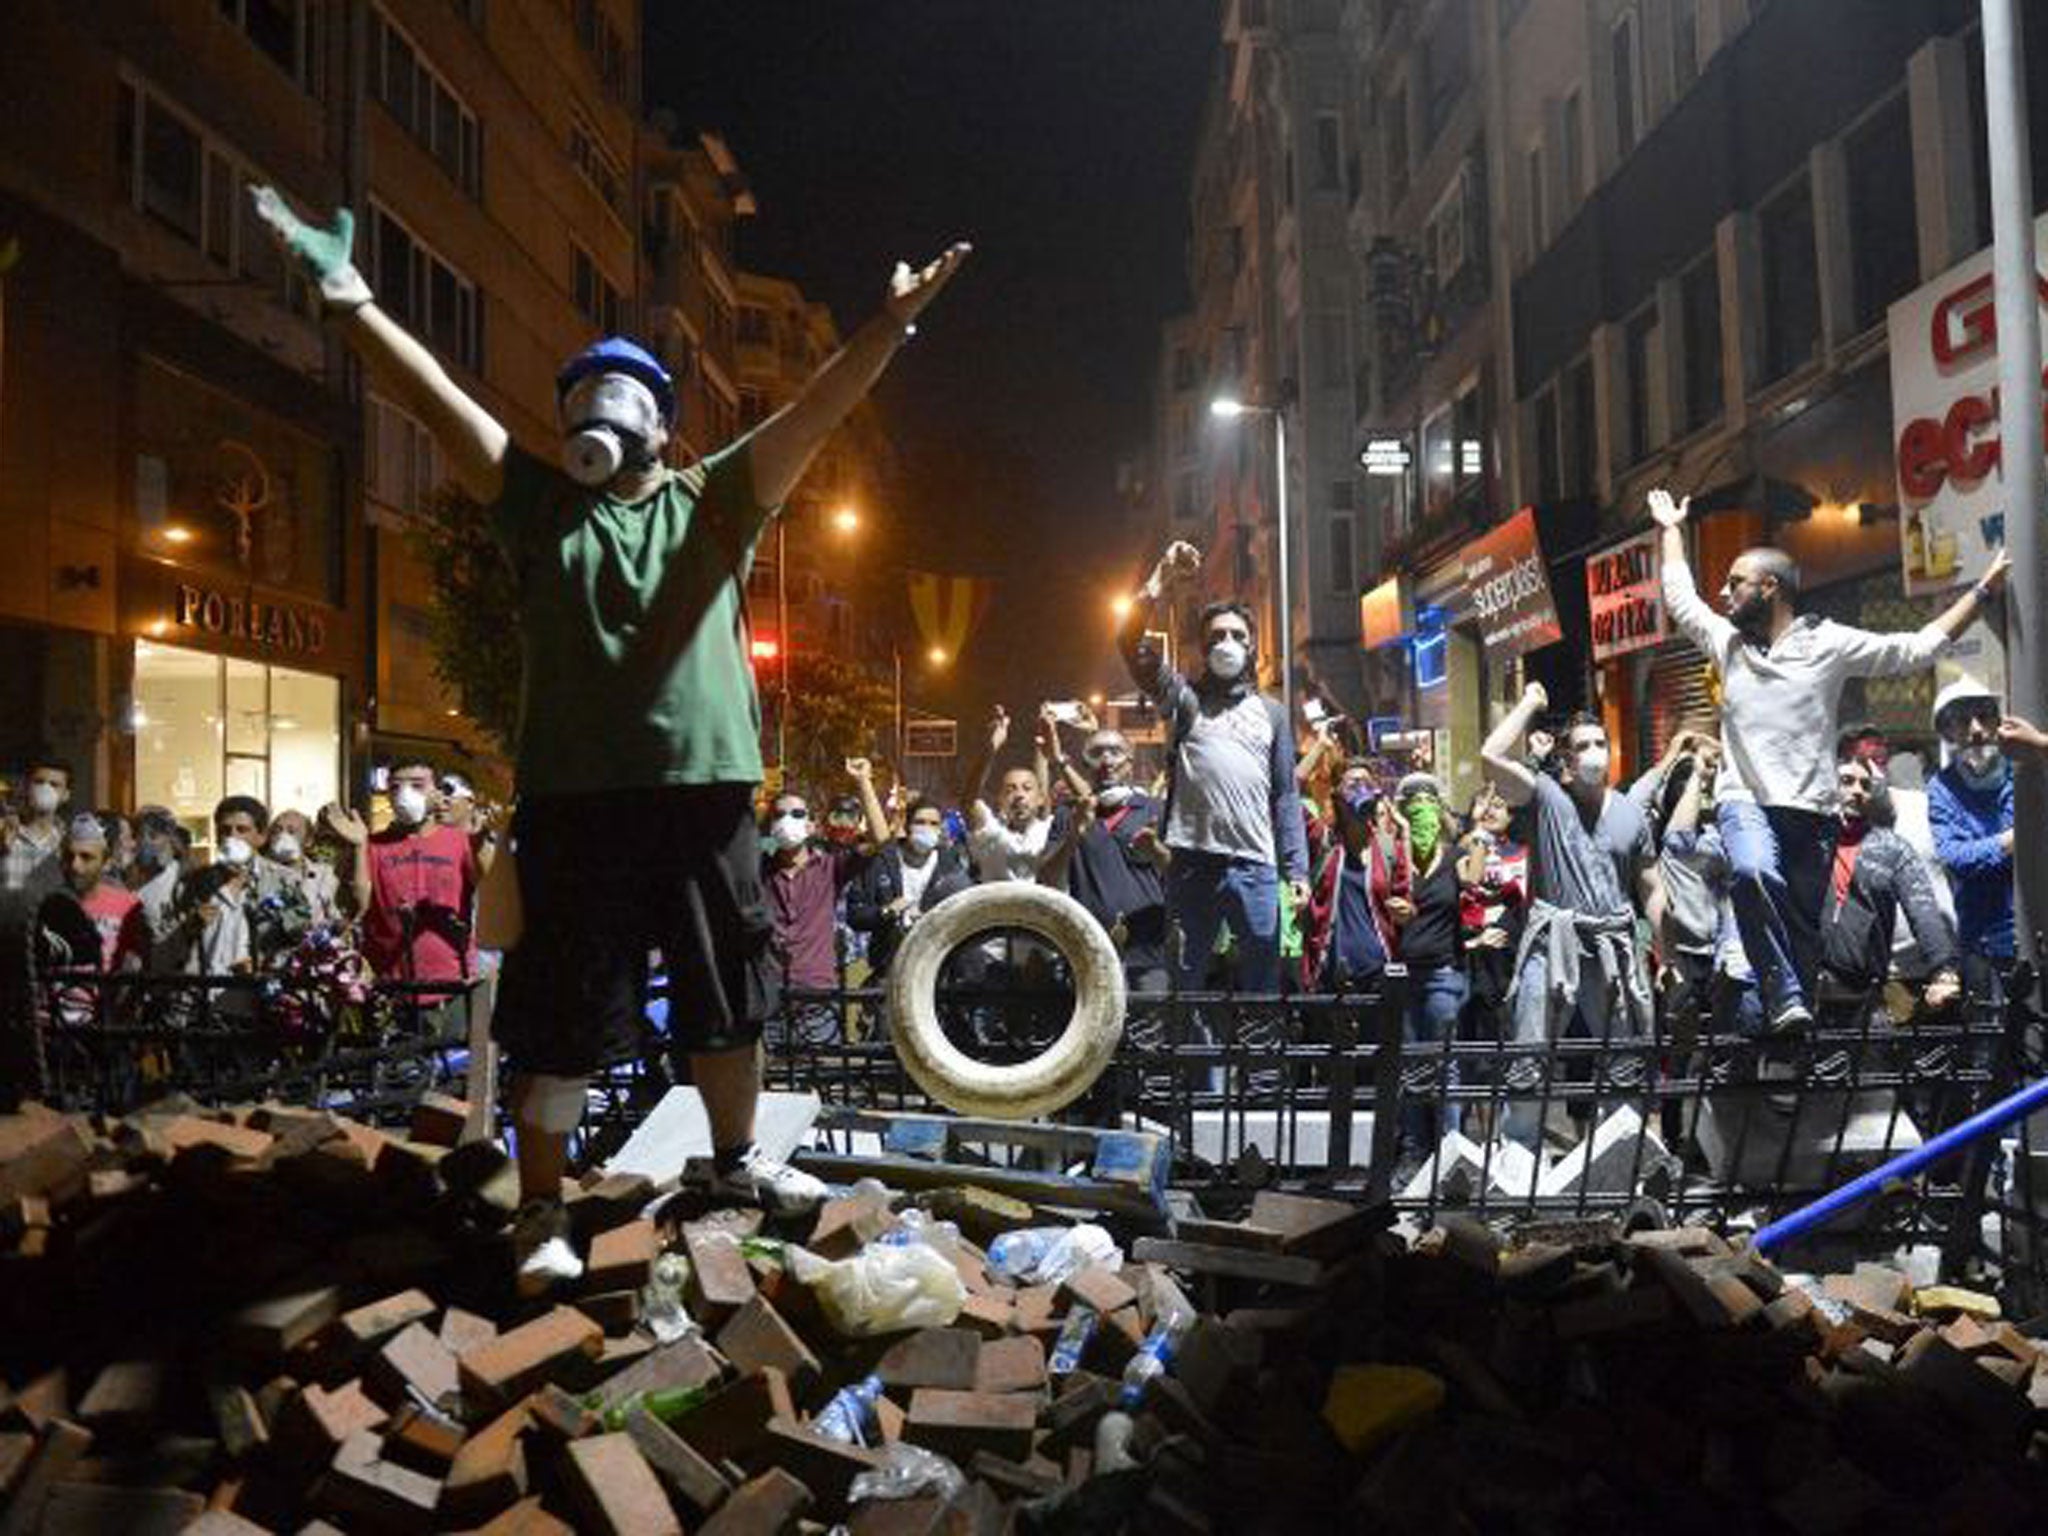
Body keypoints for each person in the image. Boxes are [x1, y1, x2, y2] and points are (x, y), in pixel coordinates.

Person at [251, 182, 968, 1284]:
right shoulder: (536, 506)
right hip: (573, 801)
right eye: (587, 387)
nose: (603, 402)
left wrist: (887, 322)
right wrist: (349, 302)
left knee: (727, 995)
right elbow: (436, 398)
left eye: (627, 389)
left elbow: (814, 413)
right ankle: (543, 1212)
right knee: (558, 1013)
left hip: (705, 793)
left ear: (663, 424)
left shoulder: (715, 501)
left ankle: (732, 1165)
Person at [1651, 487, 2007, 1031]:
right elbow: (1680, 597)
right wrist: (1671, 529)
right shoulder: (1727, 645)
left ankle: (1796, 1025)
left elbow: (1916, 648)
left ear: (1770, 588)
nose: (1723, 593)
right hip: (1744, 801)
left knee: (1803, 930)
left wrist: (1982, 591)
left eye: (1735, 583)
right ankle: (1781, 991)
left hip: (1809, 811)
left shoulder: (1828, 643)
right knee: (1749, 871)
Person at [1118, 540, 1309, 993]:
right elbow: (1128, 642)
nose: (1227, 644)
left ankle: (1261, 1068)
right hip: (1192, 865)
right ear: (1203, 649)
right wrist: (1160, 577)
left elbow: (1285, 795)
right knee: (1187, 986)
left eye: (1238, 636)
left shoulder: (1273, 712)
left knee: (1262, 990)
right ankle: (1203, 1069)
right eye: (1217, 637)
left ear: (1252, 645)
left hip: (1256, 867)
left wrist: (1296, 871)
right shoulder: (1184, 701)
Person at [1481, 685, 1664, 1149]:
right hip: (1554, 943)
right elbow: (1490, 756)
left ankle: (1618, 1160)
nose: (1594, 753)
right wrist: (1527, 704)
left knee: (1623, 1062)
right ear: (1565, 760)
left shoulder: (1630, 815)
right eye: (1582, 746)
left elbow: (1652, 888)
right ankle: (1517, 1157)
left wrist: (1669, 953)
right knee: (1529, 1056)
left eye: (1599, 744)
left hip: (1613, 948)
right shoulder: (1545, 797)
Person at [1819, 750, 1959, 1015]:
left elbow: (1923, 910)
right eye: (1847, 781)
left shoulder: (1892, 848)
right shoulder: (1808, 842)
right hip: (1807, 992)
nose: (1857, 791)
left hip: (1866, 992)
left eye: (1866, 785)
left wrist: (1944, 970)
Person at [762, 759, 889, 1048]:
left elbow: (881, 839)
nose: (787, 821)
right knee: (769, 1085)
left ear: (810, 824)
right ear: (771, 826)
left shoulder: (831, 867)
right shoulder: (759, 870)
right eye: (779, 815)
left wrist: (864, 782)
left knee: (817, 1081)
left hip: (816, 996)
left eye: (796, 814)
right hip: (769, 995)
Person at [1040, 719, 1171, 994]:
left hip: (1147, 949)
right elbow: (1046, 879)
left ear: (1130, 763)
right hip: (1090, 949)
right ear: (1087, 764)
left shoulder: (1154, 810)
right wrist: (1074, 834)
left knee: (1149, 1028)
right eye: (1097, 753)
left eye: (1115, 752)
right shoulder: (1069, 813)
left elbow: (1181, 875)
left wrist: (1156, 851)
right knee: (1096, 1033)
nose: (1107, 760)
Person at [325, 762, 479, 993]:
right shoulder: (373, 845)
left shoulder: (460, 842)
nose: (404, 794)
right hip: (389, 982)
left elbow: (488, 895)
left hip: (452, 980)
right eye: (395, 787)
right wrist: (358, 847)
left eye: (417, 785)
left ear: (438, 794)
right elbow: (358, 906)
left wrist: (482, 837)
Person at [1927, 677, 2016, 996]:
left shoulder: (2020, 772)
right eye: (1963, 720)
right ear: (1947, 732)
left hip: (2032, 929)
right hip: (1982, 940)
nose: (1976, 729)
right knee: (1987, 1038)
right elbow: (1955, 857)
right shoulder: (1941, 787)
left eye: (1984, 716)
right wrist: (2014, 840)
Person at [847, 793, 972, 981]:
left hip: (935, 969)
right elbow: (856, 916)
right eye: (920, 822)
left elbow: (965, 915)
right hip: (889, 966)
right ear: (907, 825)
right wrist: (886, 912)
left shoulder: (951, 866)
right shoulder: (881, 862)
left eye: (933, 824)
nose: (927, 829)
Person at [962, 707, 1056, 884]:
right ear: (1000, 799)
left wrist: (1043, 743)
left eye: (1026, 788)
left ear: (1040, 798)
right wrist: (991, 748)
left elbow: (1043, 793)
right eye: (1010, 789)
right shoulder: (991, 832)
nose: (1019, 795)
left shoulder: (1049, 829)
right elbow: (968, 800)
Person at [265, 808, 346, 933]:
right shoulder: (259, 873)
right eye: (277, 830)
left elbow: (336, 917)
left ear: (308, 841)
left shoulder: (324, 874)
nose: (283, 836)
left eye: (292, 832)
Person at [4, 757, 72, 892]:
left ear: (66, 795)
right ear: (26, 787)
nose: (45, 788)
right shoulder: (6, 833)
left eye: (54, 785)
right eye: (39, 782)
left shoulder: (69, 842)